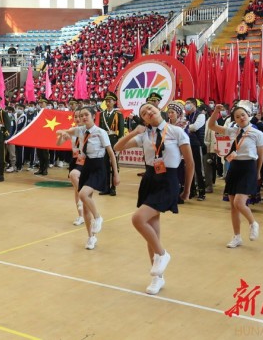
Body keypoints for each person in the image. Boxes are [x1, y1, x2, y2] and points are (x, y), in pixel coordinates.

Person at [115, 103, 194, 295]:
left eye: (151, 109)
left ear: (160, 111)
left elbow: (190, 162)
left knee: (138, 219)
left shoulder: (176, 132)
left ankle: (162, 254)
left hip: (168, 180)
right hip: (150, 179)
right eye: (144, 113)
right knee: (152, 232)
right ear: (143, 119)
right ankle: (156, 278)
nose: (148, 113)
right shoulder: (144, 136)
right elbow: (118, 147)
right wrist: (134, 132)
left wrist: (187, 190)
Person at [56, 106, 119, 250]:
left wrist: (115, 173)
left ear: (93, 116)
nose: (84, 117)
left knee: (83, 194)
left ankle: (98, 217)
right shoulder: (81, 131)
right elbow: (68, 132)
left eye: (86, 115)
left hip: (98, 167)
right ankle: (91, 237)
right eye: (81, 115)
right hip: (86, 166)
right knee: (85, 205)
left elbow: (111, 153)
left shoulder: (101, 132)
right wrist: (62, 132)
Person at [207, 102, 263, 249]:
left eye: (243, 115)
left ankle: (253, 223)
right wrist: (216, 111)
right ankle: (237, 236)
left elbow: (261, 154)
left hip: (249, 167)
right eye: (237, 117)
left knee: (239, 203)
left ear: (248, 115)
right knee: (233, 206)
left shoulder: (257, 133)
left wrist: (258, 171)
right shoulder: (232, 131)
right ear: (235, 119)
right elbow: (212, 126)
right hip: (234, 166)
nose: (241, 118)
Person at [57, 108, 85, 225]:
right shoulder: (72, 131)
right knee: (76, 189)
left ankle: (86, 205)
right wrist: (62, 136)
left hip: (84, 159)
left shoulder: (87, 130)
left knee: (76, 178)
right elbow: (58, 144)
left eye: (80, 116)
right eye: (75, 117)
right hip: (74, 159)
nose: (77, 119)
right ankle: (81, 215)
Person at [97, 91, 124, 196]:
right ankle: (106, 187)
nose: (108, 103)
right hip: (104, 142)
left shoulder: (118, 114)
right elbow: (100, 129)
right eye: (106, 101)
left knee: (114, 165)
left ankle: (113, 188)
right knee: (104, 165)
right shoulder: (102, 114)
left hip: (114, 141)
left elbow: (121, 131)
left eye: (110, 101)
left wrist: (119, 145)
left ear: (114, 102)